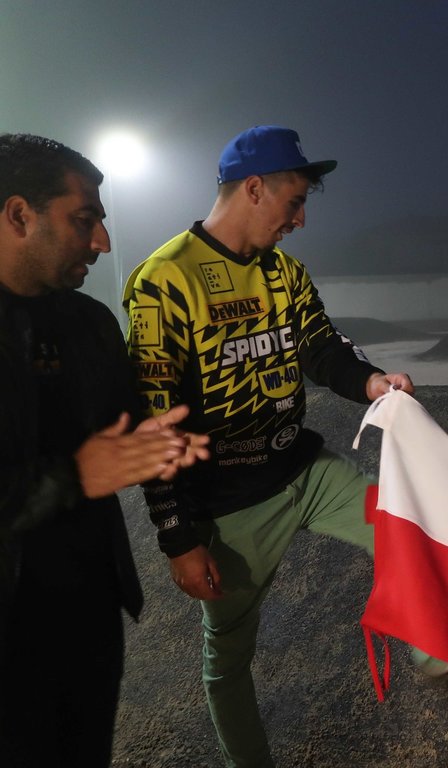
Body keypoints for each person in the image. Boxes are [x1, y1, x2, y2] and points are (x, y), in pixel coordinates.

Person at [123, 125, 415, 768]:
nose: (301, 220)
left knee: (408, 531)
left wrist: (372, 382)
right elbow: (154, 421)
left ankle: (447, 663)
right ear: (255, 188)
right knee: (227, 658)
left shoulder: (284, 271)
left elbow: (321, 346)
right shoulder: (164, 280)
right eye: (295, 201)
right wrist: (179, 537)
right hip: (229, 506)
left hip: (307, 471)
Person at [0, 133, 209, 767]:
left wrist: (159, 448)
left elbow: (129, 432)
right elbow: (86, 468)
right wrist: (72, 477)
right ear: (18, 215)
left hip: (88, 616)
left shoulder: (91, 325)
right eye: (84, 220)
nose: (103, 243)